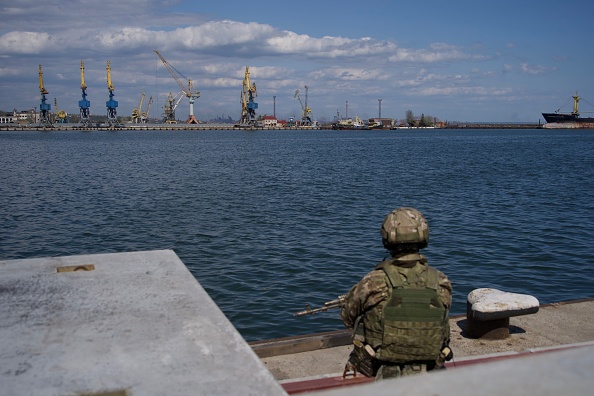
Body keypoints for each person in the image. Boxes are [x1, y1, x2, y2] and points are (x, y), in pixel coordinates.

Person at [340, 207, 453, 380]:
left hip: (381, 366)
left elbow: (347, 317)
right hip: (432, 365)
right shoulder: (441, 281)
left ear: (387, 238)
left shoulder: (373, 281)